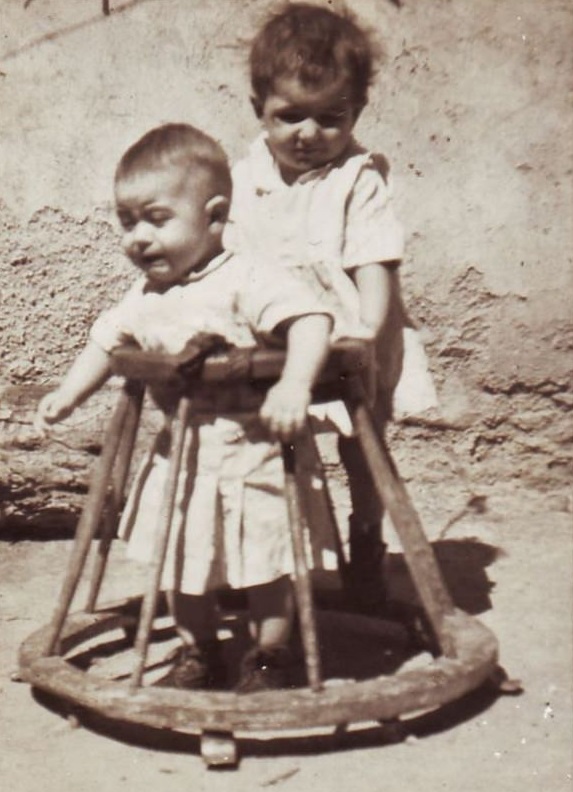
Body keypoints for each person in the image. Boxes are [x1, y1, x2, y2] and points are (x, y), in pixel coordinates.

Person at [35, 123, 334, 693]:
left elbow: (312, 319)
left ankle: (270, 655)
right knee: (183, 566)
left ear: (215, 216)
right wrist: (70, 394)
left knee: (268, 564)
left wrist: (295, 384)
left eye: (156, 218)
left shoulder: (247, 278)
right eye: (127, 222)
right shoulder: (145, 297)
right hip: (184, 460)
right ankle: (199, 653)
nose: (138, 238)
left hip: (257, 452)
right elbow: (106, 339)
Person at [224, 1, 438, 614]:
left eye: (330, 118)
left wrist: (369, 329)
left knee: (361, 447)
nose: (308, 134)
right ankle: (265, 565)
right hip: (275, 337)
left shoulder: (358, 178)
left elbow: (375, 260)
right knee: (272, 445)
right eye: (290, 117)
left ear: (357, 113)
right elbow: (228, 253)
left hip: (348, 328)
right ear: (258, 111)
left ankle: (366, 544)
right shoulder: (244, 177)